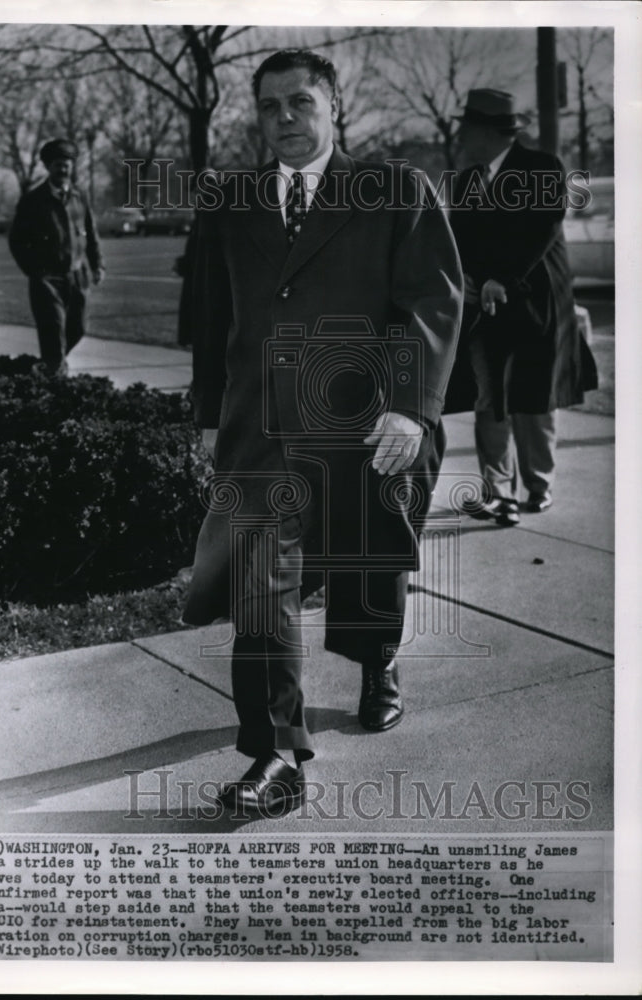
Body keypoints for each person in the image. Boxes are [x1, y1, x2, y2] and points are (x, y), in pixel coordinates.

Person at [182, 49, 463, 816]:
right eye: (268, 107)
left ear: (333, 106)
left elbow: (431, 304)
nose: (284, 122)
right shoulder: (231, 203)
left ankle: (376, 663)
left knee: (366, 568)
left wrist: (410, 407)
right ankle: (275, 752)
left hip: (366, 424)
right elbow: (212, 322)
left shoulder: (395, 190)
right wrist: (211, 417)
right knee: (258, 583)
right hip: (262, 432)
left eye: (299, 103)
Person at [445, 89, 598, 526]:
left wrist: (503, 278)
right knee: (488, 397)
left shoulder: (542, 167)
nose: (462, 137)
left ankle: (538, 486)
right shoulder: (466, 179)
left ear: (488, 131)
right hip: (487, 308)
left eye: (467, 129)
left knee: (533, 399)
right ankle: (498, 491)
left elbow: (542, 229)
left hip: (536, 305)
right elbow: (460, 238)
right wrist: (468, 278)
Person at [8, 138, 105, 375]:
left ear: (72, 167)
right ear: (48, 167)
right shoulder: (33, 200)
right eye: (58, 165)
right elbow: (17, 240)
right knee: (53, 328)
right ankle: (55, 374)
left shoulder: (79, 197)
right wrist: (34, 271)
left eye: (67, 165)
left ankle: (49, 365)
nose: (63, 170)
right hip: (47, 278)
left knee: (79, 327)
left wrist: (97, 265)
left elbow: (91, 233)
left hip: (78, 275)